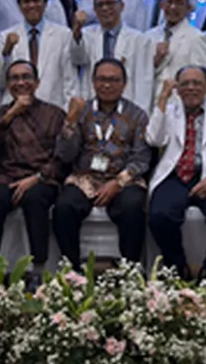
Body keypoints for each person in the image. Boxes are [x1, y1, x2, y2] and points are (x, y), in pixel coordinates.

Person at [147, 66, 206, 281]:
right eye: (185, 84)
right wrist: (162, 98)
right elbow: (154, 139)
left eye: (197, 83)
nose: (191, 88)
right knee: (160, 215)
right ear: (178, 89)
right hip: (175, 176)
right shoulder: (168, 112)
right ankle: (177, 267)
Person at [52, 59, 151, 265]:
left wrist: (118, 182)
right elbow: (65, 155)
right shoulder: (82, 111)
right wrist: (70, 121)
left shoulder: (138, 115)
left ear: (124, 84)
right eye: (102, 79)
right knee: (64, 207)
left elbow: (141, 157)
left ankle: (129, 271)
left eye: (114, 80)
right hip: (85, 177)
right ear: (93, 82)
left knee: (133, 207)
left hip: (123, 179)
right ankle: (71, 271)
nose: (107, 85)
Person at [0, 60, 64, 268]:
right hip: (5, 175)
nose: (21, 82)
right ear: (8, 85)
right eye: (15, 78)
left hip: (40, 177)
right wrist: (11, 115)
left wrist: (36, 178)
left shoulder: (54, 114)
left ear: (37, 83)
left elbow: (62, 157)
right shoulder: (0, 114)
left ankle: (39, 268)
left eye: (26, 77)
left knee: (34, 199)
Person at [0, 0, 78, 107]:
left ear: (45, 3)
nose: (32, 5)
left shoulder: (63, 34)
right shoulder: (5, 36)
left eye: (36, 0)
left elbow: (70, 79)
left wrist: (66, 114)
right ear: (19, 5)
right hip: (16, 110)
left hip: (52, 109)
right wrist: (6, 52)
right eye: (26, 1)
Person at [73, 0, 154, 111]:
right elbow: (77, 59)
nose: (105, 8)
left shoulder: (140, 40)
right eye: (100, 5)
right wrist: (76, 31)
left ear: (122, 6)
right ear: (94, 10)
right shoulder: (85, 35)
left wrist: (140, 116)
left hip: (127, 109)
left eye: (110, 3)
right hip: (93, 108)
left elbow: (144, 82)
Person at [151, 0, 206, 97]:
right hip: (151, 103)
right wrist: (155, 61)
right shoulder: (149, 36)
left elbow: (200, 78)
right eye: (169, 2)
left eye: (179, 3)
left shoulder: (196, 37)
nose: (173, 7)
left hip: (179, 104)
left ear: (188, 7)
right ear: (162, 5)